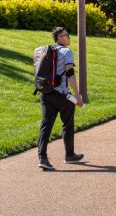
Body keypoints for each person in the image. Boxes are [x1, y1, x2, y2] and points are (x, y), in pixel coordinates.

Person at [36, 26, 84, 170]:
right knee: (67, 123)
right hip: (62, 94)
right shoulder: (66, 52)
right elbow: (70, 73)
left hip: (46, 92)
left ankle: (42, 158)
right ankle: (69, 155)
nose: (69, 37)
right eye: (66, 35)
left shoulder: (48, 51)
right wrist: (77, 95)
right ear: (59, 38)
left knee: (46, 124)